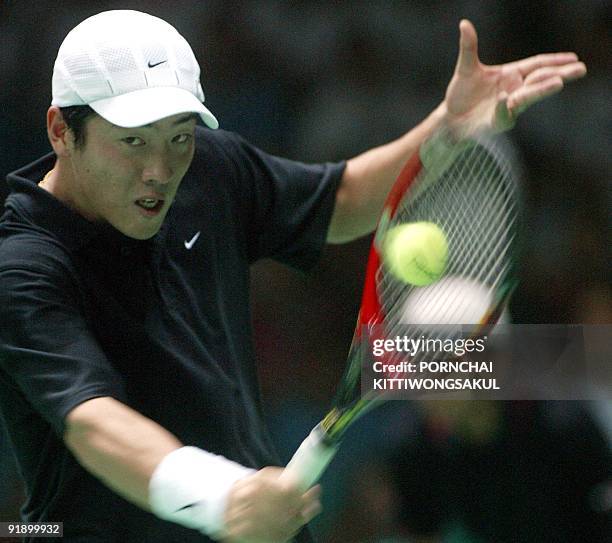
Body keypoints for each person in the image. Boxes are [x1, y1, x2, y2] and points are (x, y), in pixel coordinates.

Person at [0, 9, 585, 543]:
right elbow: (91, 421)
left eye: (178, 137)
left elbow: (343, 198)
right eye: (132, 143)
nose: (159, 170)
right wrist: (222, 496)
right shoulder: (25, 266)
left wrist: (447, 127)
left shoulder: (207, 170)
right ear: (60, 130)